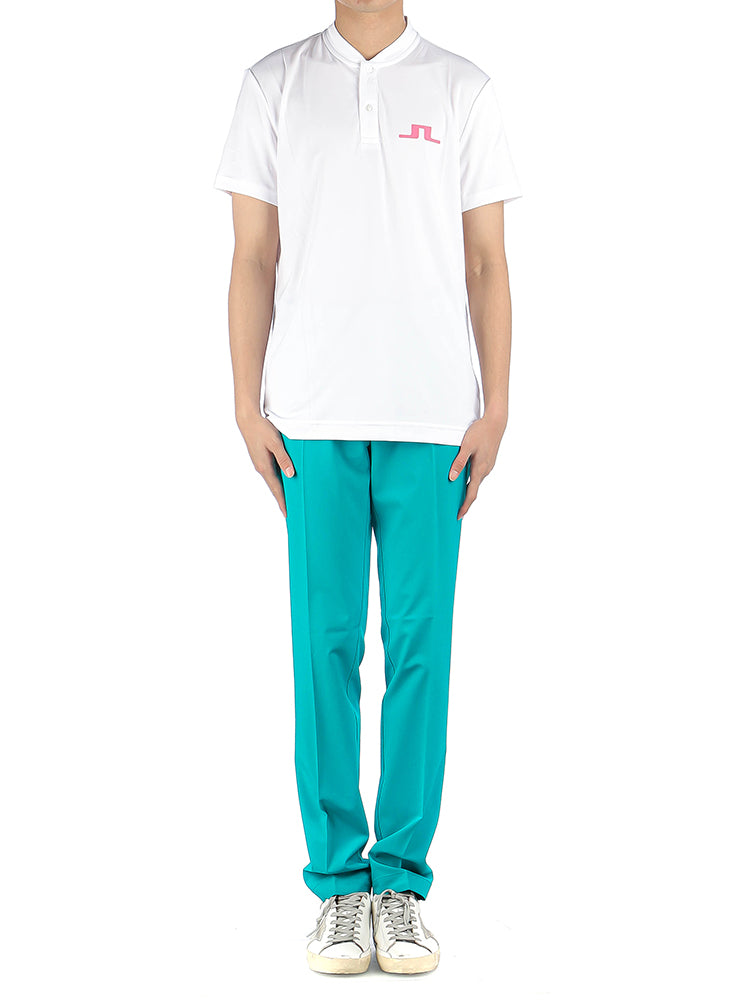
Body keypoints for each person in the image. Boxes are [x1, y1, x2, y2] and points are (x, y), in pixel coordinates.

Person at [214, 0, 522, 976]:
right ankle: (340, 888)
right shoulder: (273, 84)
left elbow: (487, 261)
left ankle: (401, 887)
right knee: (326, 648)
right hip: (311, 414)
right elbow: (252, 256)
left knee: (422, 650)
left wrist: (497, 406)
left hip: (434, 418)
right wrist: (246, 404)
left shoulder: (463, 87)